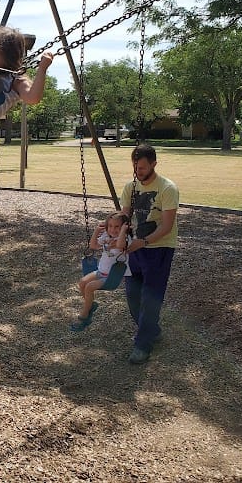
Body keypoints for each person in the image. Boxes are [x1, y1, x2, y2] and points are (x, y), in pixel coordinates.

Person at [108, 143, 179, 364]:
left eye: (143, 168)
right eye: (135, 167)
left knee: (150, 298)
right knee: (132, 296)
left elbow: (166, 227)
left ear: (154, 164)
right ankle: (151, 331)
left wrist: (144, 242)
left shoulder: (167, 189)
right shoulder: (131, 187)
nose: (138, 172)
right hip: (134, 248)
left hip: (159, 248)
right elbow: (125, 218)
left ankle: (142, 345)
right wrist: (112, 229)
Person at [70, 212, 132, 332]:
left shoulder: (125, 239)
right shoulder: (106, 236)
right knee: (82, 283)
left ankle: (84, 315)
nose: (113, 229)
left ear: (124, 227)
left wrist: (124, 231)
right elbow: (93, 245)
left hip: (112, 276)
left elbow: (119, 245)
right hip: (101, 272)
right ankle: (91, 305)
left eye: (117, 227)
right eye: (110, 226)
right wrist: (97, 231)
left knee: (89, 287)